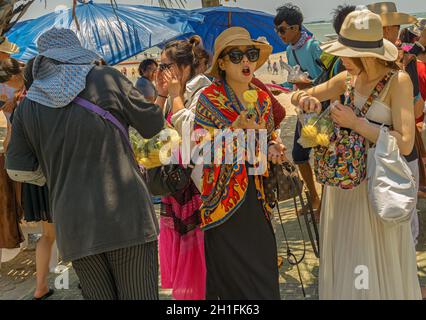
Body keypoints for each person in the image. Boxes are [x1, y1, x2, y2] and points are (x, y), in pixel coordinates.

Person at [5, 28, 164, 300]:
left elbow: (18, 169)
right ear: (77, 55)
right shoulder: (107, 79)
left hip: (73, 224)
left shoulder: (29, 105)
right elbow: (152, 124)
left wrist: (55, 171)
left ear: (42, 62)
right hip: (127, 216)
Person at [292, 10, 421, 299]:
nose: (341, 60)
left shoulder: (397, 82)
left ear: (367, 55)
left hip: (376, 187)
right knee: (350, 256)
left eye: (346, 53)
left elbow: (405, 143)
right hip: (344, 187)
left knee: (370, 259)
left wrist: (357, 124)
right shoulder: (347, 78)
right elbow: (298, 95)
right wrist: (307, 98)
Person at [194, 27, 285, 300]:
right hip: (223, 205)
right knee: (233, 287)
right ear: (221, 63)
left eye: (251, 54)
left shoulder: (262, 100)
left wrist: (272, 146)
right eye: (236, 55)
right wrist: (234, 129)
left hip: (258, 199)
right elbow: (200, 152)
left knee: (264, 278)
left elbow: (269, 135)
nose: (245, 61)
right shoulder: (209, 100)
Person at [154, 35, 211, 300]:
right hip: (174, 186)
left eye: (166, 66)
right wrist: (162, 94)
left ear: (185, 67)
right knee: (181, 255)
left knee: (198, 254)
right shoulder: (172, 93)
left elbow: (192, 134)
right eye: (159, 65)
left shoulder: (202, 92)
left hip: (196, 188)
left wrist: (175, 96)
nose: (160, 71)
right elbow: (152, 132)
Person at [0, 57, 56, 300]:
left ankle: (40, 286)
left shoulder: (19, 103)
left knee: (48, 235)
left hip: (34, 180)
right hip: (53, 175)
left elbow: (9, 143)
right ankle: (82, 280)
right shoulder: (45, 102)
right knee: (68, 231)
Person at [368, 1, 423, 247]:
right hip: (394, 155)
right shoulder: (403, 62)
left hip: (375, 155)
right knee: (399, 227)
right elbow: (418, 107)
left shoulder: (349, 63)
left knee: (389, 226)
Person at [274, 3, 323, 216]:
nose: (280, 34)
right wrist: (278, 88)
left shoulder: (313, 46)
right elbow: (293, 78)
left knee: (324, 154)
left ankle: (329, 202)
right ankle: (314, 197)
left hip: (322, 107)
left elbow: (329, 76)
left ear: (296, 28)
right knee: (299, 154)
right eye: (277, 30)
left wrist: (308, 85)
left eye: (282, 29)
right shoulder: (289, 50)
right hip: (304, 109)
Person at [0, 40, 24, 252]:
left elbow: (23, 87)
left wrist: (15, 101)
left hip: (13, 131)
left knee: (15, 185)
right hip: (7, 131)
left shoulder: (12, 69)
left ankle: (22, 225)